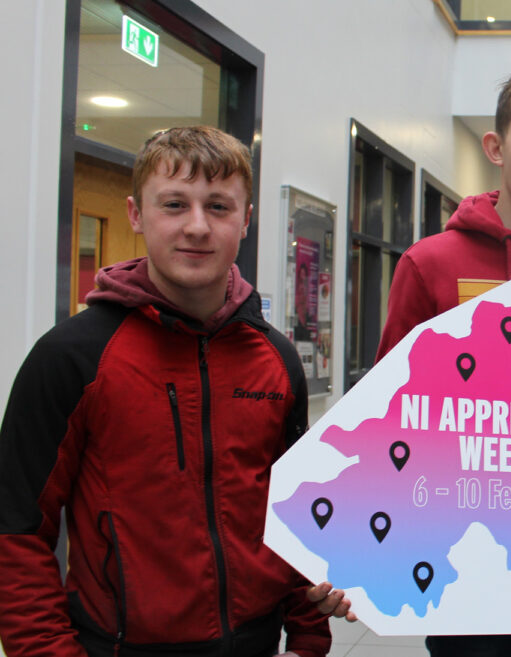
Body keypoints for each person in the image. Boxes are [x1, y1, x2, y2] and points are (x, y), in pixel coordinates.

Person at [313, 67, 511, 657]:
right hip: (469, 575)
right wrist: (353, 547)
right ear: (496, 146)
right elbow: (391, 418)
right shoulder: (430, 265)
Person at [0, 126, 331, 656]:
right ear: (136, 213)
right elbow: (16, 528)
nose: (197, 227)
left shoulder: (275, 357)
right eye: (174, 204)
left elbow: (292, 510)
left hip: (257, 642)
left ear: (245, 220)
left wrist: (309, 638)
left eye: (219, 207)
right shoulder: (71, 358)